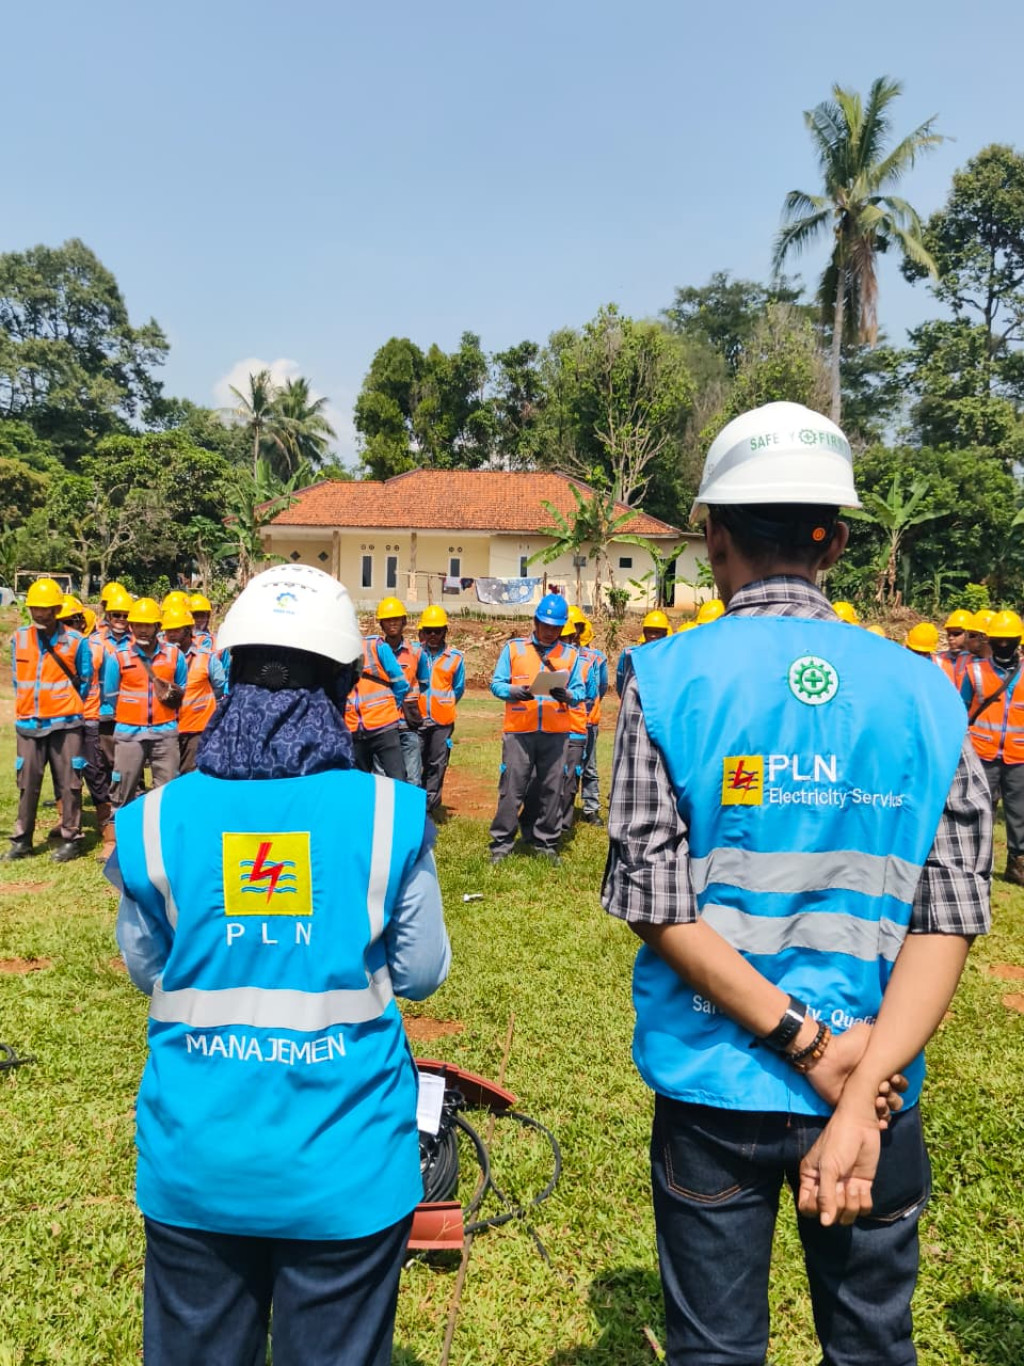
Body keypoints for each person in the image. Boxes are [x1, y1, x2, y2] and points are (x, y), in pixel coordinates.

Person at [602, 400, 991, 1366]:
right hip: (878, 1081)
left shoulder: (662, 678)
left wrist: (798, 1040)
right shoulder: (930, 694)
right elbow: (950, 918)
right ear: (840, 540)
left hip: (716, 1086)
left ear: (712, 534)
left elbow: (654, 899)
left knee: (716, 1350)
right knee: (869, 1345)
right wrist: (857, 1092)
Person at [110, 564, 450, 1366]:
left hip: (197, 1157)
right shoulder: (388, 812)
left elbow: (142, 964)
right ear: (340, 687)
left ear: (227, 674)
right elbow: (422, 969)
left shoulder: (156, 817)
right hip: (346, 1166)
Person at [488, 593, 584, 865]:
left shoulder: (570, 654)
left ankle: (545, 842)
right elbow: (496, 684)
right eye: (546, 625)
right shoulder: (514, 649)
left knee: (552, 788)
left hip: (555, 732)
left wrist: (569, 696)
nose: (550, 631)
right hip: (520, 730)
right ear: (535, 621)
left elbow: (580, 690)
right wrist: (514, 691)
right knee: (512, 786)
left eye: (556, 627)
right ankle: (502, 843)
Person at [6, 577, 93, 863]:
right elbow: (19, 681)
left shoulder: (76, 641)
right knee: (26, 784)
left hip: (66, 724)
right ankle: (22, 841)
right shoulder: (18, 639)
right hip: (29, 724)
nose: (41, 614)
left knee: (70, 783)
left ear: (57, 609)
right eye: (35, 609)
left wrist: (67, 704)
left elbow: (85, 680)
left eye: (47, 609)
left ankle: (71, 838)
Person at [102, 597, 187, 820]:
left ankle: (163, 838)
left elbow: (181, 688)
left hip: (165, 733)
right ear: (131, 626)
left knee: (167, 788)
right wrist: (131, 711)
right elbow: (111, 694)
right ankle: (119, 838)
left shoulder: (174, 655)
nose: (142, 630)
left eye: (147, 625)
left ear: (157, 627)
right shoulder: (119, 656)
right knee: (123, 787)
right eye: (137, 624)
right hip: (129, 733)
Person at [960, 609, 1024, 886]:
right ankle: (974, 862)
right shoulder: (975, 671)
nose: (1002, 645)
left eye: (1008, 640)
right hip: (981, 753)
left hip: (1019, 755)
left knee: (1019, 814)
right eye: (998, 639)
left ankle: (1017, 864)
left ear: (1018, 640)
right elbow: (961, 709)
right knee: (978, 810)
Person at [53, 597, 113, 847]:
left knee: (94, 771)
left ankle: (107, 826)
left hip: (88, 718)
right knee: (63, 773)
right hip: (58, 718)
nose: (67, 626)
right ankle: (67, 822)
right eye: (63, 622)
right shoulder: (49, 649)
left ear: (80, 621)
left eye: (71, 621)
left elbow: (108, 686)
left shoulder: (97, 649)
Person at [162, 605, 227, 774]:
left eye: (176, 630)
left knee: (190, 773)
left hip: (197, 727)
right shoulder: (160, 659)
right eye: (169, 631)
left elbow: (219, 685)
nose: (172, 634)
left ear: (188, 630)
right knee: (169, 773)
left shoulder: (206, 656)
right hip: (168, 726)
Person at [415, 605, 465, 815]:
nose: (433, 635)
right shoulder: (414, 654)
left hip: (442, 722)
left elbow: (458, 688)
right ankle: (414, 806)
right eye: (428, 631)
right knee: (414, 764)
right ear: (421, 632)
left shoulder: (455, 658)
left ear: (445, 631)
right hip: (416, 720)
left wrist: (444, 704)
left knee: (437, 764)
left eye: (438, 631)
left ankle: (430, 808)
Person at [345, 626, 409, 782]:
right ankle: (367, 807)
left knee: (397, 778)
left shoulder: (375, 646)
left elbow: (401, 684)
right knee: (360, 782)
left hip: (384, 725)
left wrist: (390, 706)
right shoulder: (331, 656)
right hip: (353, 729)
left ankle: (399, 806)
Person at [375, 597, 424, 786]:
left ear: (404, 621)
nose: (392, 623)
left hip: (408, 725)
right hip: (383, 725)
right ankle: (383, 815)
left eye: (396, 619)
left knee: (412, 778)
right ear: (381, 624)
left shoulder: (416, 652)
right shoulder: (375, 652)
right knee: (382, 779)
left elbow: (425, 684)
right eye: (388, 619)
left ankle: (410, 815)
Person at [556, 617, 596, 833]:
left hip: (575, 729)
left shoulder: (584, 665)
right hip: (550, 729)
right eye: (560, 638)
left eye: (567, 638)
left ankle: (564, 824)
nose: (564, 643)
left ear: (574, 638)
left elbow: (590, 694)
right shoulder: (544, 660)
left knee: (570, 779)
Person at [575, 613, 608, 826]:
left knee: (589, 765)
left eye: (576, 626)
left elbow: (601, 687)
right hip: (564, 722)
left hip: (588, 720)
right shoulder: (557, 655)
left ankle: (591, 808)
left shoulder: (596, 657)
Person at [616, 609, 671, 696]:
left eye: (657, 632)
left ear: (664, 634)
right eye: (650, 631)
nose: (653, 635)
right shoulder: (629, 654)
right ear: (644, 633)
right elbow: (621, 682)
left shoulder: (669, 656)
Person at [939, 609, 971, 684]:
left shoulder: (977, 662)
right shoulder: (939, 660)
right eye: (949, 634)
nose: (951, 638)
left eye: (956, 633)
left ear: (968, 634)